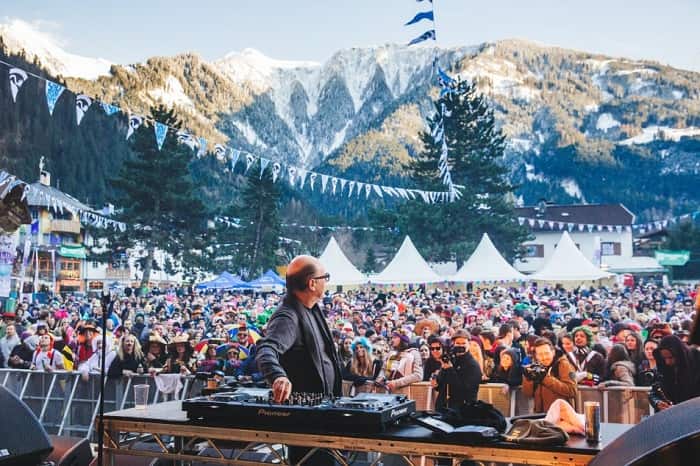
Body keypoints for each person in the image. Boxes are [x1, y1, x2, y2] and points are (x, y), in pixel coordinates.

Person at [256, 255, 342, 466]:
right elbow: (266, 349)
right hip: (307, 421)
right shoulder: (288, 316)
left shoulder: (311, 309)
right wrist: (278, 376)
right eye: (325, 277)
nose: (326, 281)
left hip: (324, 413)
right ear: (312, 283)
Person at [522, 337, 577, 412]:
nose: (544, 357)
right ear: (536, 356)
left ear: (553, 352)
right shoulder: (536, 367)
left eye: (546, 353)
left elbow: (572, 391)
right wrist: (528, 379)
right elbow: (528, 394)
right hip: (540, 414)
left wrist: (545, 378)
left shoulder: (564, 365)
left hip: (560, 414)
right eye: (540, 354)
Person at [433, 329, 482, 412]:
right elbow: (441, 386)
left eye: (463, 343)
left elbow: (464, 390)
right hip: (444, 408)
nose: (460, 346)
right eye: (458, 343)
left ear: (469, 344)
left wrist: (450, 370)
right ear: (453, 344)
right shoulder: (450, 360)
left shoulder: (473, 365)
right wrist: (436, 382)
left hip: (462, 411)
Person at [649, 335, 700, 411]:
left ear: (679, 354)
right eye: (664, 358)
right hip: (671, 415)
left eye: (671, 357)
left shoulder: (695, 363)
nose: (667, 362)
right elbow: (654, 392)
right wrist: (658, 402)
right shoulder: (662, 368)